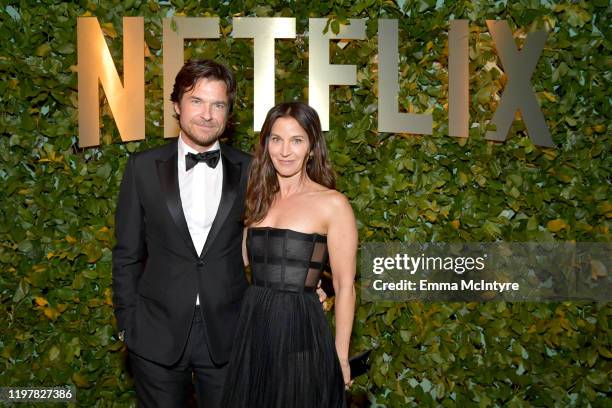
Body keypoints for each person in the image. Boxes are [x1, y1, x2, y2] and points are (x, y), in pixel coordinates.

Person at [112, 59, 251, 407]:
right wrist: (128, 325)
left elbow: (277, 233)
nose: (207, 114)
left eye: (218, 104)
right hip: (155, 333)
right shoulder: (142, 167)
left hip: (228, 333)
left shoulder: (250, 168)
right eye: (197, 101)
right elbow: (127, 253)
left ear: (228, 112)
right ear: (176, 105)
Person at [220, 102, 358, 407]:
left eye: (297, 140)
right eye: (276, 139)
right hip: (254, 328)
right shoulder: (257, 199)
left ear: (311, 147)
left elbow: (346, 285)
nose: (285, 151)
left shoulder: (332, 204)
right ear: (266, 143)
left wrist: (342, 356)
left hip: (301, 329)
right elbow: (240, 261)